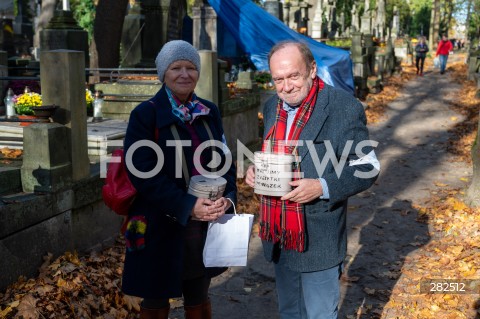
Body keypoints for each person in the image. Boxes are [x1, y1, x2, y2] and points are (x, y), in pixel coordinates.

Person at [245, 40, 379, 319]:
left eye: (293, 76)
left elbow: (367, 166)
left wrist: (322, 186)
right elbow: (273, 151)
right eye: (278, 79)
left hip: (319, 236)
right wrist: (256, 170)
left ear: (312, 70)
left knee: (319, 314)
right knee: (290, 312)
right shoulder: (272, 107)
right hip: (279, 232)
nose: (286, 86)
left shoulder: (343, 107)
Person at [121, 40, 237, 319]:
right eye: (176, 68)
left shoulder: (209, 111)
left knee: (198, 295)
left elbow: (224, 159)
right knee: (156, 298)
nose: (184, 74)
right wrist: (187, 206)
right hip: (160, 223)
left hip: (204, 223)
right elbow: (142, 173)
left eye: (190, 67)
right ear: (163, 73)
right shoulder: (145, 114)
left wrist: (228, 197)